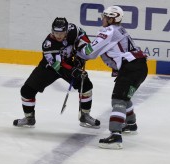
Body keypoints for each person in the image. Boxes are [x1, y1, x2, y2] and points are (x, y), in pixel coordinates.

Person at [77, 6, 148, 149]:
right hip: (139, 67)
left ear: (111, 19)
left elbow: (90, 53)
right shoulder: (118, 29)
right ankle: (131, 124)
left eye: (105, 17)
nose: (102, 19)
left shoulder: (108, 31)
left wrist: (79, 49)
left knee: (118, 99)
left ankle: (115, 136)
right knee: (124, 96)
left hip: (131, 68)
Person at [13, 17, 100, 129]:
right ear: (52, 30)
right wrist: (73, 71)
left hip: (68, 62)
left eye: (61, 33)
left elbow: (82, 36)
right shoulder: (48, 44)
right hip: (50, 67)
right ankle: (29, 118)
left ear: (67, 31)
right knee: (26, 91)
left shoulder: (73, 30)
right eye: (55, 33)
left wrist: (81, 53)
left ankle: (85, 115)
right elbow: (58, 66)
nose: (58, 36)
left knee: (86, 85)